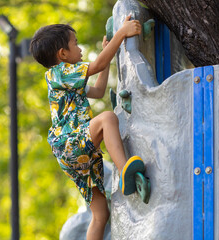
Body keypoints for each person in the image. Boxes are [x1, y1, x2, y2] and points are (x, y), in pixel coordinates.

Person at [30, 15, 149, 240]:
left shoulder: (66, 81)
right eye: (75, 43)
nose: (80, 48)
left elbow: (98, 91)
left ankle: (126, 174)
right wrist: (122, 33)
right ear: (62, 54)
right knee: (107, 119)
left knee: (100, 215)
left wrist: (109, 50)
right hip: (70, 143)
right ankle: (125, 172)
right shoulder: (59, 73)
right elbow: (97, 64)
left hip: (74, 156)